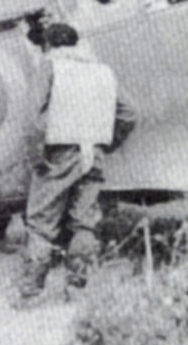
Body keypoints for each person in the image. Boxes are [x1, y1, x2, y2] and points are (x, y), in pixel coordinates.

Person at [18, 22, 136, 302]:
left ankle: (31, 293)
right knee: (84, 223)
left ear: (48, 45)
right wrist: (107, 144)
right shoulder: (101, 69)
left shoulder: (49, 66)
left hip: (59, 153)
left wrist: (36, 157)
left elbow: (33, 119)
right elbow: (130, 113)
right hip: (92, 154)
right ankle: (76, 289)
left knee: (41, 223)